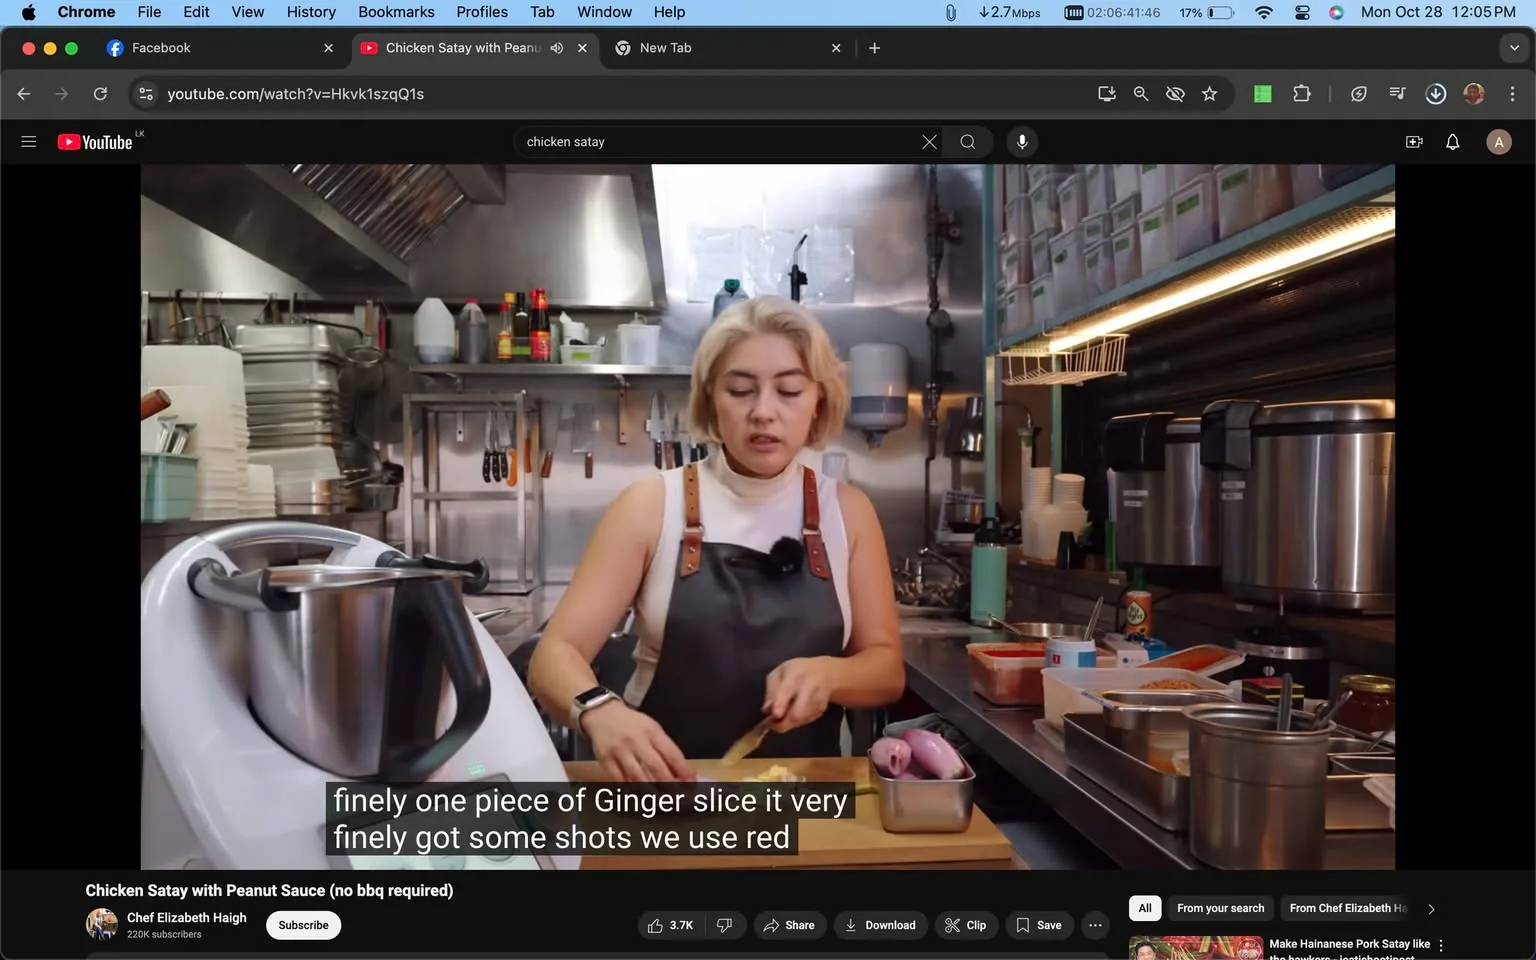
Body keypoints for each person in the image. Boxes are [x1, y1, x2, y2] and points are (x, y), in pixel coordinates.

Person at [527, 296, 906, 781]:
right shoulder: (648, 506)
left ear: (818, 402)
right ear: (710, 400)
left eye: (789, 391)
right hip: (664, 797)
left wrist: (830, 675)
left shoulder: (848, 513)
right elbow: (554, 655)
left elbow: (885, 666)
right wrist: (599, 711)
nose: (764, 412)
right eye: (741, 390)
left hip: (803, 802)